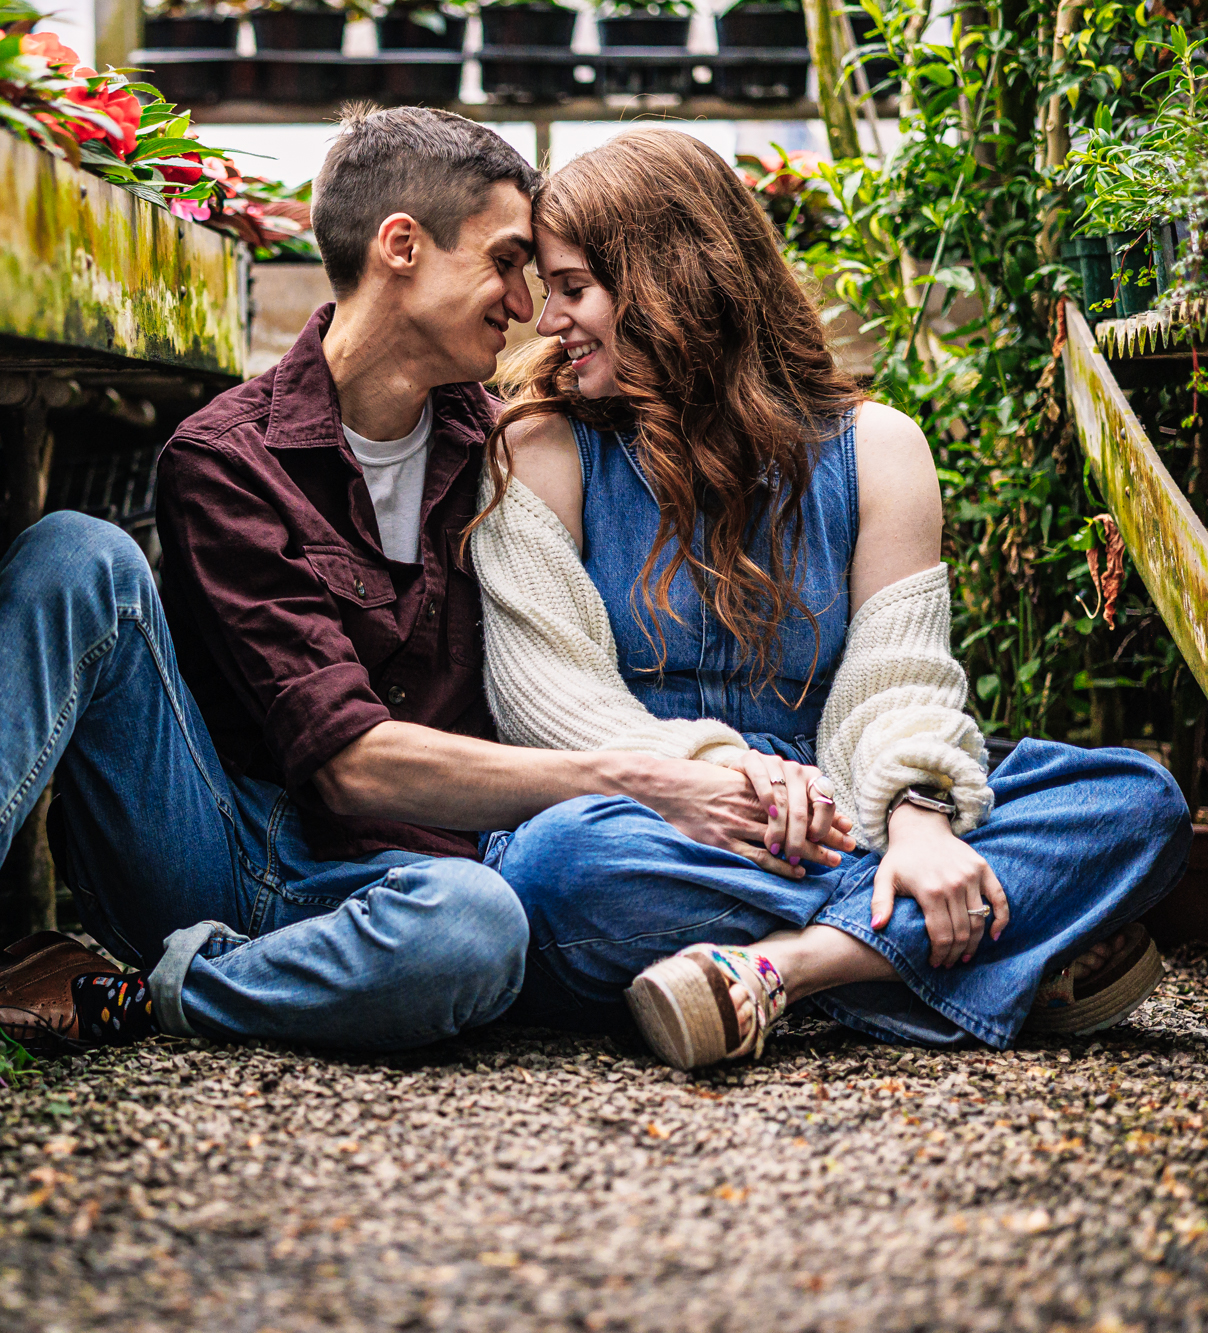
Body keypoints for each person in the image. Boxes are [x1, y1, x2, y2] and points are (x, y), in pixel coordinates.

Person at [0, 109, 816, 1143]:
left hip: (409, 886)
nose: (528, 303)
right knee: (80, 553)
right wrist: (627, 775)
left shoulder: (506, 451)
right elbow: (345, 770)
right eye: (503, 261)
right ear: (400, 246)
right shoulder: (224, 458)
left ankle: (106, 999)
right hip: (216, 849)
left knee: (476, 926)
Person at [466, 127, 1192, 1069]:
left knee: (1135, 802)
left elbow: (897, 684)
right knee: (553, 869)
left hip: (846, 799)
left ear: (671, 279)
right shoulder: (543, 450)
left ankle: (784, 972)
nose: (547, 321)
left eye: (574, 288)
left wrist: (918, 822)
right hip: (651, 821)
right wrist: (733, 779)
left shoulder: (877, 447)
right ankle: (956, 947)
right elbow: (550, 703)